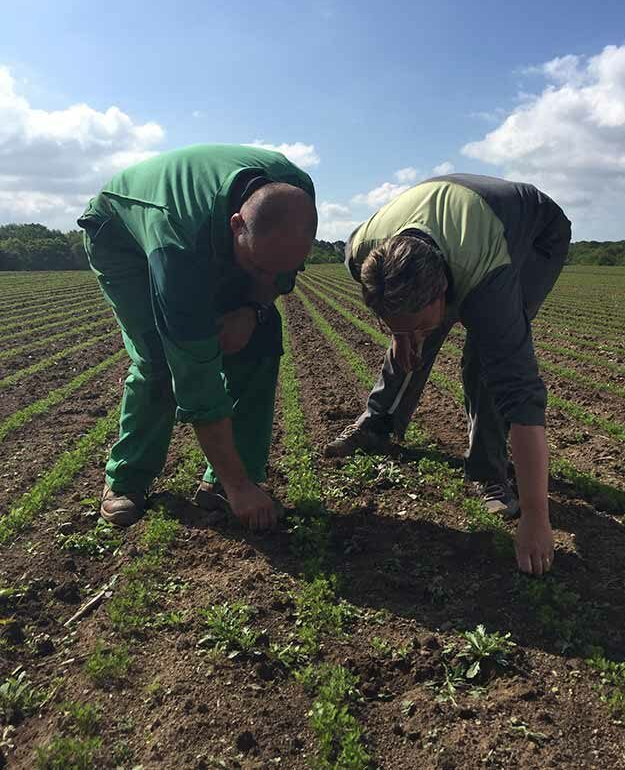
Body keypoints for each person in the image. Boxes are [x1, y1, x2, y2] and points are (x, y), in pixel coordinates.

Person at [325, 174, 571, 577]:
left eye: (425, 321)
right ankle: (377, 425)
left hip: (534, 237)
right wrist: (404, 335)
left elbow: (523, 399)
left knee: (487, 358)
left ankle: (490, 472)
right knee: (411, 337)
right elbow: (402, 310)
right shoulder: (362, 251)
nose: (411, 332)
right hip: (452, 230)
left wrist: (536, 517)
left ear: (446, 293)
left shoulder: (486, 279)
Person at [78, 143, 317, 530]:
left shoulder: (296, 194)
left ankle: (222, 485)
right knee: (158, 357)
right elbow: (195, 373)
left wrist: (254, 309)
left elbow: (276, 273)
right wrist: (239, 484)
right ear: (237, 225)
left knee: (261, 338)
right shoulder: (177, 248)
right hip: (121, 234)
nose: (266, 279)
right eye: (258, 266)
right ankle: (127, 479)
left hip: (208, 231)